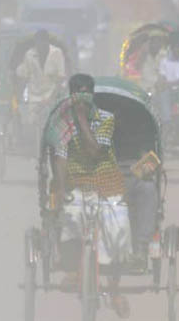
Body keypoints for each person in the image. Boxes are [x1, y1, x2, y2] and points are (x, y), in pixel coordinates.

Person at [48, 74, 133, 318]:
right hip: (76, 181)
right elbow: (61, 156)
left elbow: (96, 151)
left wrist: (82, 120)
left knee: (117, 226)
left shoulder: (106, 118)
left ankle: (114, 291)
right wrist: (61, 187)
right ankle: (75, 268)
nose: (81, 96)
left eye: (86, 92)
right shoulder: (61, 122)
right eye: (77, 91)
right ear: (71, 94)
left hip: (106, 181)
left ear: (92, 94)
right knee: (71, 215)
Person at [15, 29, 66, 103]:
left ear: (47, 42)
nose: (41, 46)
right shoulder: (29, 55)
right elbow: (25, 76)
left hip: (52, 98)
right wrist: (19, 95)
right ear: (36, 43)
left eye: (43, 43)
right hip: (34, 98)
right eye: (39, 43)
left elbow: (61, 78)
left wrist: (51, 98)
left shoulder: (57, 53)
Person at [156, 31, 179, 125]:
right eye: (175, 46)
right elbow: (162, 81)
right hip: (169, 91)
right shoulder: (164, 61)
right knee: (163, 94)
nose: (178, 48)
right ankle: (166, 122)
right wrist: (176, 83)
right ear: (171, 46)